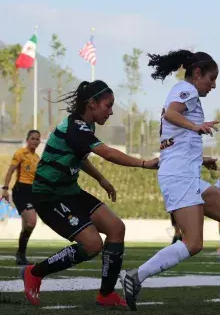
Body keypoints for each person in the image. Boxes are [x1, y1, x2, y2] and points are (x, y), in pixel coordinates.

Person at [120, 49, 220, 311]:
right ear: (197, 73)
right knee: (193, 243)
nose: (214, 84)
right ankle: (135, 276)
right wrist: (197, 126)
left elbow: (176, 142)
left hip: (187, 174)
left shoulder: (187, 93)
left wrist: (203, 158)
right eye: (212, 78)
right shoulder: (186, 90)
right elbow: (171, 115)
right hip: (179, 176)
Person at [21, 80, 159, 307]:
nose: (111, 111)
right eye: (108, 105)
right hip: (49, 196)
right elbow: (108, 154)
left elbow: (80, 157)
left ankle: (105, 295)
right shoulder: (77, 127)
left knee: (116, 228)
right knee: (92, 245)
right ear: (92, 103)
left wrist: (101, 179)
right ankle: (34, 273)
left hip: (69, 191)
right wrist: (144, 163)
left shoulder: (86, 126)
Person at [2, 130, 41, 265]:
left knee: (27, 226)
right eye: (33, 138)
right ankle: (20, 254)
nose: (35, 141)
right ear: (27, 139)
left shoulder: (37, 158)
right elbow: (10, 171)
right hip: (21, 191)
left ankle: (21, 255)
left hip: (32, 192)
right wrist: (5, 189)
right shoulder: (20, 153)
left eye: (37, 139)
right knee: (32, 222)